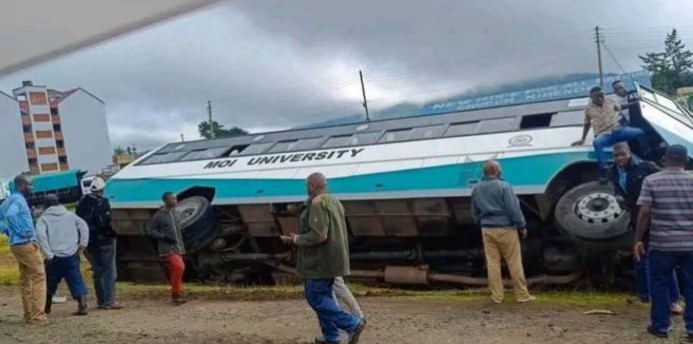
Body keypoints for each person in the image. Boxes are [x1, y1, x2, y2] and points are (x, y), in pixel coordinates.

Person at [281, 172, 366, 344]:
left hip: (319, 262)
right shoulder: (334, 201)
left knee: (316, 298)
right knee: (324, 297)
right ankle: (331, 336)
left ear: (312, 186)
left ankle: (352, 324)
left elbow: (319, 235)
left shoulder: (318, 202)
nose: (306, 188)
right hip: (333, 259)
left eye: (307, 185)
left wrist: (297, 239)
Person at [609, 143, 682, 314]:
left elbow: (665, 180)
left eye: (623, 154)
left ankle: (673, 301)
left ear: (630, 153)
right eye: (616, 155)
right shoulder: (612, 171)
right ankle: (644, 295)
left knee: (664, 260)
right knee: (639, 256)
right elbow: (619, 191)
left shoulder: (646, 166)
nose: (619, 158)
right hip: (636, 215)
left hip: (654, 215)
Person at [633, 144, 693, 339]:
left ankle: (660, 326)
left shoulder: (651, 180)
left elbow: (644, 212)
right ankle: (692, 329)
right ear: (686, 160)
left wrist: (638, 239)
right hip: (690, 244)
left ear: (665, 159)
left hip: (661, 245)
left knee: (659, 284)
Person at [471, 160, 535, 304]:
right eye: (500, 169)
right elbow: (513, 209)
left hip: (487, 229)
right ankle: (522, 295)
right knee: (514, 261)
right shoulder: (504, 186)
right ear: (496, 171)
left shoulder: (477, 188)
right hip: (505, 228)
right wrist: (521, 226)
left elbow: (474, 211)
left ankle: (497, 296)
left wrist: (481, 222)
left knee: (492, 263)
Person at [0, 175, 48, 325]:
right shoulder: (19, 200)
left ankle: (28, 314)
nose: (31, 189)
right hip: (26, 242)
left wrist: (6, 230)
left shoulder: (8, 200)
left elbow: (2, 215)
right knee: (39, 277)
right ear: (21, 185)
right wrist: (21, 231)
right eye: (29, 185)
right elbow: (10, 214)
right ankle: (38, 316)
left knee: (26, 279)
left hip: (16, 245)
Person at [572, 86, 644, 181]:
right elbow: (587, 124)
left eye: (602, 96)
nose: (601, 98)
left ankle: (643, 157)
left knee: (640, 132)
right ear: (591, 97)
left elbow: (620, 107)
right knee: (597, 142)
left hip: (618, 131)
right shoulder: (588, 109)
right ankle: (604, 170)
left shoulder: (610, 100)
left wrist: (634, 104)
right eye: (597, 97)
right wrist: (583, 138)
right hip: (604, 134)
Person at [36, 194, 90, 316]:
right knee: (76, 280)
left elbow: (41, 236)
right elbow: (84, 226)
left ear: (46, 205)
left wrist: (48, 254)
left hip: (54, 257)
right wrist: (82, 244)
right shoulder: (70, 215)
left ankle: (46, 307)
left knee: (50, 283)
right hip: (72, 254)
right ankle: (82, 304)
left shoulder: (43, 219)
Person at [75, 177, 122, 310]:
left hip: (88, 242)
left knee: (98, 271)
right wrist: (114, 234)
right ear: (102, 189)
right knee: (110, 272)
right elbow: (105, 223)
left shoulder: (81, 203)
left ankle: (101, 301)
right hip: (104, 241)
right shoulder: (103, 203)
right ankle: (109, 301)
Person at [147, 192, 187, 305]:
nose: (175, 200)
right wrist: (163, 237)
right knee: (179, 267)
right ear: (165, 200)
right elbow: (151, 231)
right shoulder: (159, 215)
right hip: (167, 247)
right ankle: (175, 293)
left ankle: (178, 293)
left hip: (179, 246)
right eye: (172, 199)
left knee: (177, 270)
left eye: (175, 198)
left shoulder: (177, 213)